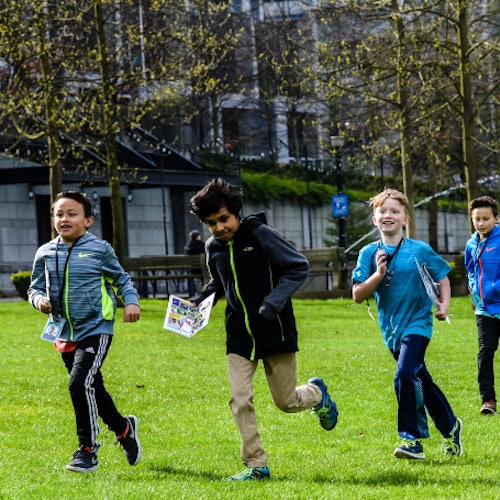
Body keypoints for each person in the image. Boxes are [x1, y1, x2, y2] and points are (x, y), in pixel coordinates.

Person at [188, 178, 338, 481]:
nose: (218, 228)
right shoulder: (212, 247)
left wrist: (274, 302)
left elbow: (299, 266)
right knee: (240, 399)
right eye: (211, 223)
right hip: (239, 336)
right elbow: (218, 284)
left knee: (286, 402)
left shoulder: (259, 234)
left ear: (236, 213)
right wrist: (197, 301)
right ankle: (256, 466)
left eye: (223, 219)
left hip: (275, 330)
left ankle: (317, 394)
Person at [28, 191, 142, 473]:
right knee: (94, 388)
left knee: (79, 384)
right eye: (59, 214)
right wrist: (39, 301)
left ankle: (87, 450)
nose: (64, 219)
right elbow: (34, 287)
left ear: (88, 220)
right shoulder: (44, 252)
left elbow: (121, 278)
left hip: (96, 327)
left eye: (72, 213)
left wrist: (131, 302)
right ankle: (123, 428)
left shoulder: (99, 249)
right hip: (64, 331)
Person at [352, 188, 463, 459]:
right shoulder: (368, 253)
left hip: (418, 325)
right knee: (418, 379)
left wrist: (444, 306)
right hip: (391, 331)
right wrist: (378, 274)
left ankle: (411, 439)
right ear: (375, 219)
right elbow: (357, 295)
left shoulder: (420, 250)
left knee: (404, 375)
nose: (388, 215)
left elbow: (444, 279)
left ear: (406, 219)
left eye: (394, 211)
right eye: (382, 211)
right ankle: (451, 427)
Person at [465, 195, 500, 415]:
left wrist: (493, 289)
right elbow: (470, 270)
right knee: (485, 354)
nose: (481, 223)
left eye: (486, 218)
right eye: (476, 219)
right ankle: (488, 401)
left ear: (496, 218)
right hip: (484, 311)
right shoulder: (471, 243)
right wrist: (474, 290)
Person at [184, 229, 205, 296]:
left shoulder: (188, 246)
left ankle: (192, 293)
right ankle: (205, 291)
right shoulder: (202, 245)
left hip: (192, 269)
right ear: (197, 237)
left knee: (191, 278)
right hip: (202, 269)